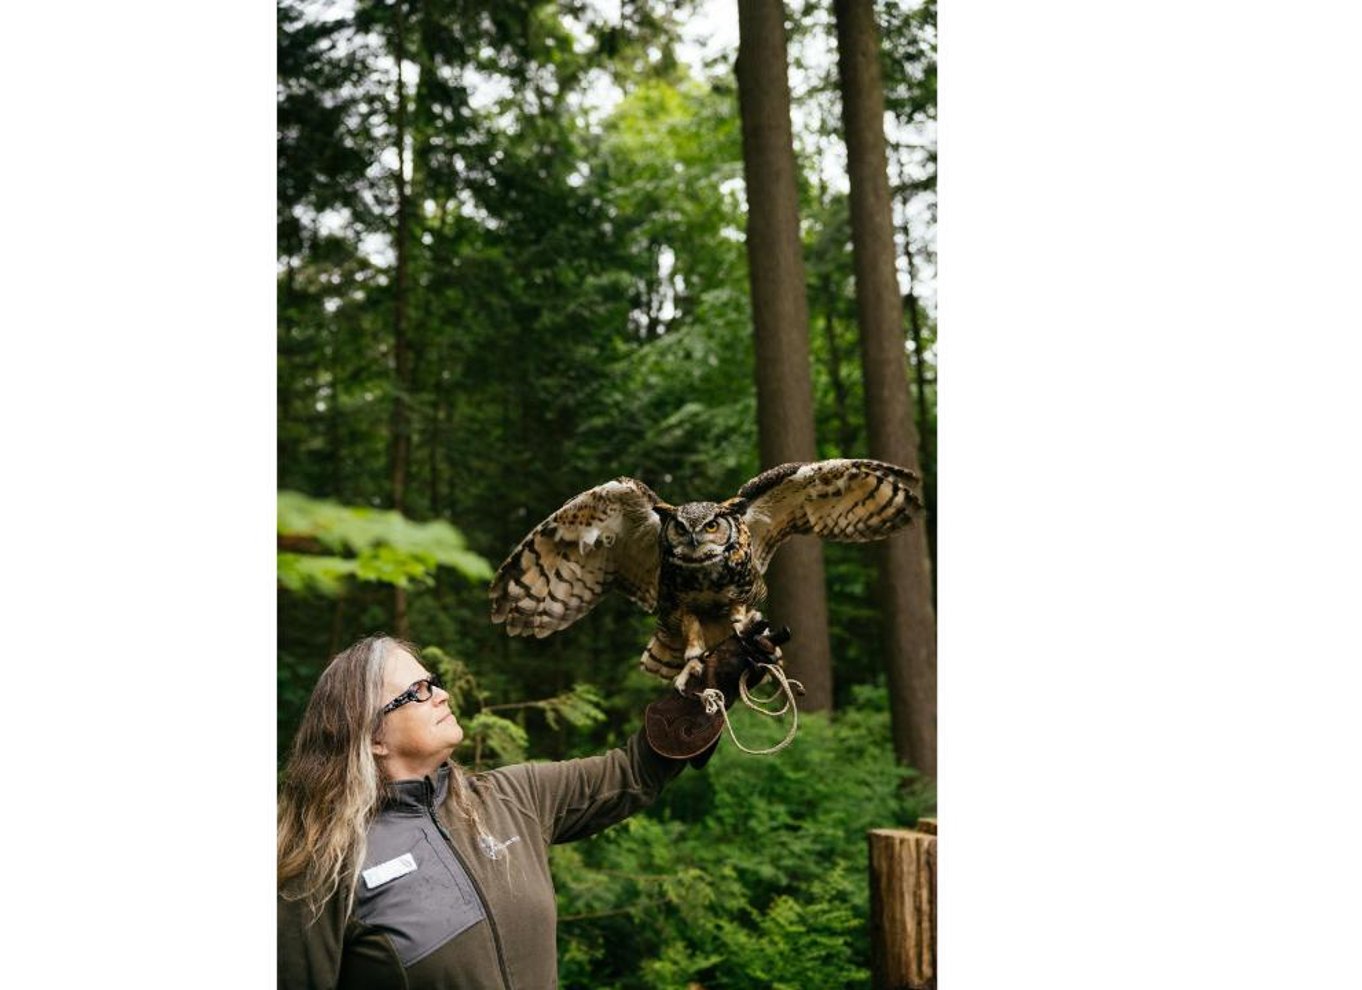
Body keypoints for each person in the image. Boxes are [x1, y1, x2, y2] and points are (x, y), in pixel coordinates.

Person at [277, 621, 785, 989]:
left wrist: (708, 689)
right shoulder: (320, 864)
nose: (442, 694)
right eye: (417, 691)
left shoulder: (513, 798)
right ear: (371, 737)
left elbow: (632, 773)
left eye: (434, 681)